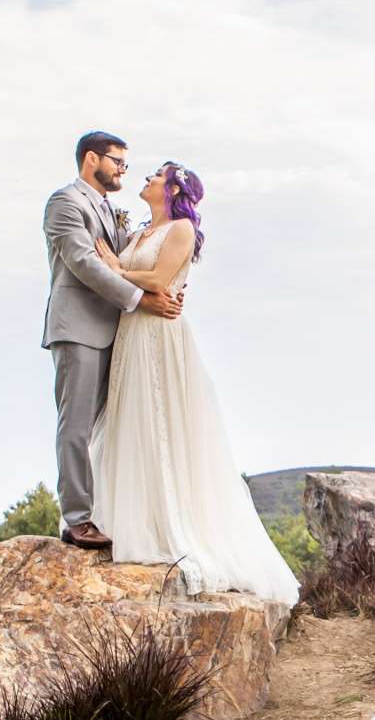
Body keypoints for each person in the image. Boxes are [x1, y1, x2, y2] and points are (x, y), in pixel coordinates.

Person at [88, 162, 299, 604]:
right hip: (132, 334)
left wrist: (114, 268)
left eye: (155, 176)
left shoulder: (180, 228)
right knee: (132, 422)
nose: (146, 179)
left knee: (162, 421)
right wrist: (116, 263)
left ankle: (172, 525)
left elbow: (160, 281)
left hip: (159, 336)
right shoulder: (141, 232)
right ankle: (134, 519)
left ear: (173, 188)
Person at [41, 131, 183, 550]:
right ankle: (77, 519)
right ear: (91, 159)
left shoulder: (109, 209)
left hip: (117, 333)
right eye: (117, 161)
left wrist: (171, 285)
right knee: (77, 425)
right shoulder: (65, 202)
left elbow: (126, 262)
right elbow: (84, 263)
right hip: (79, 328)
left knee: (111, 427)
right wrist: (143, 300)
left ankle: (109, 510)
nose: (124, 169)